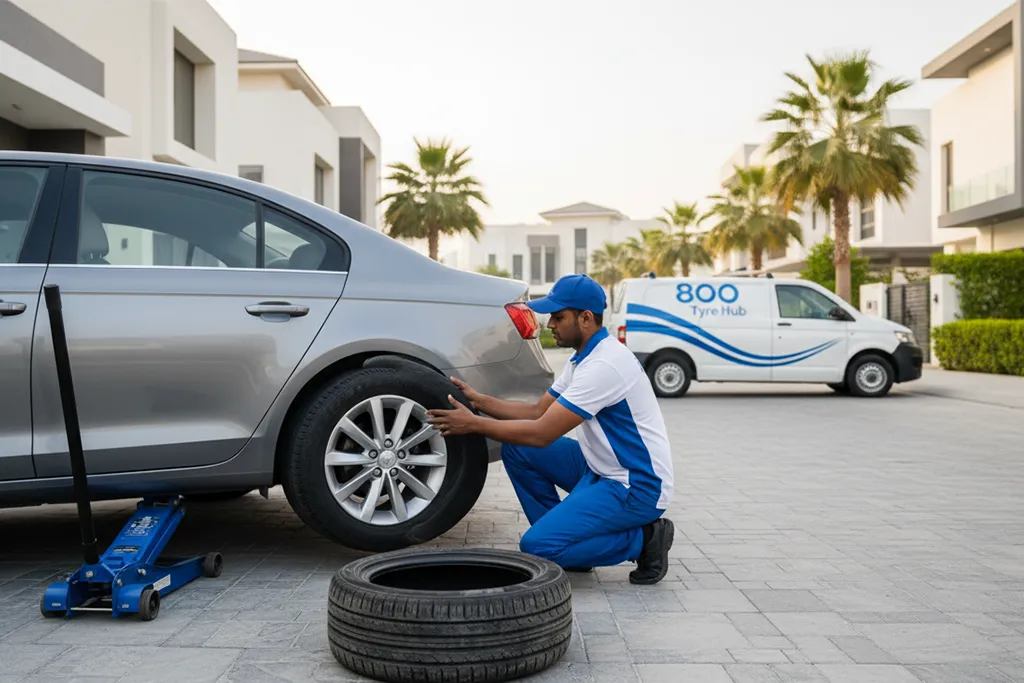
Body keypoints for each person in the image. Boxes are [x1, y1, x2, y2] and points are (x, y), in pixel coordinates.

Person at [427, 273, 675, 585]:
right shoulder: (582, 359)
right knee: (519, 449)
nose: (550, 325)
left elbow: (543, 432)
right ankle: (574, 547)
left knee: (537, 546)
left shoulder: (604, 366)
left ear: (585, 318)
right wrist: (482, 401)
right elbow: (537, 411)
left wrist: (473, 424)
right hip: (599, 469)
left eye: (558, 317)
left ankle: (645, 539)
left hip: (636, 484)